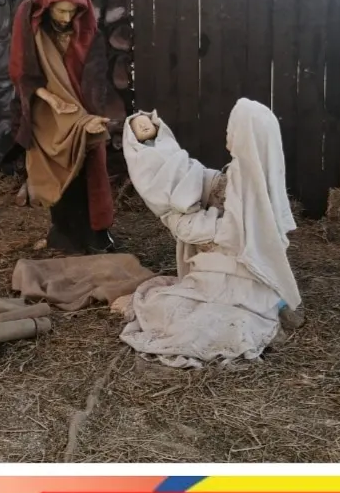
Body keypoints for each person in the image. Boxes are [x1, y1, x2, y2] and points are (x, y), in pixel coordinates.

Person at [119, 98, 301, 367]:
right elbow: (210, 181)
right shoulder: (247, 172)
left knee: (183, 317)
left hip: (235, 276)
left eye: (231, 130)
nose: (227, 134)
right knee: (175, 305)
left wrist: (181, 221)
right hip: (220, 268)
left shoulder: (252, 186)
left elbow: (228, 234)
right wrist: (159, 150)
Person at [9, 0, 116, 253]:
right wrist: (53, 102)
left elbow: (96, 80)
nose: (67, 18)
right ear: (47, 7)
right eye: (61, 11)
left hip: (82, 112)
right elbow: (23, 75)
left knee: (90, 173)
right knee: (57, 173)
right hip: (48, 114)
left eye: (72, 11)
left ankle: (96, 237)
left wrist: (90, 116)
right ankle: (64, 235)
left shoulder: (88, 35)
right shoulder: (33, 30)